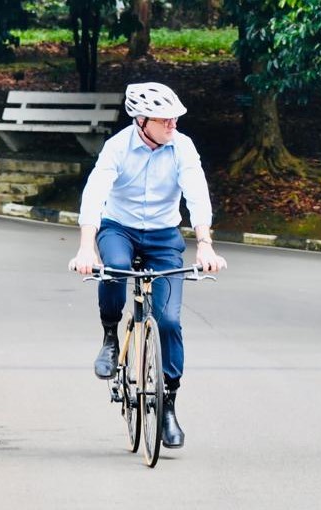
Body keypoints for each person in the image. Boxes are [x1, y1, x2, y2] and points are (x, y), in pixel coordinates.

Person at [68, 82, 226, 449]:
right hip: (118, 229)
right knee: (116, 268)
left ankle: (168, 404)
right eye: (164, 118)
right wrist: (86, 248)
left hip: (163, 235)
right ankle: (110, 336)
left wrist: (205, 244)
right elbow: (95, 193)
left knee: (169, 320)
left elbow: (196, 193)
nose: (173, 124)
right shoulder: (118, 147)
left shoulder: (182, 146)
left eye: (175, 117)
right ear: (142, 121)